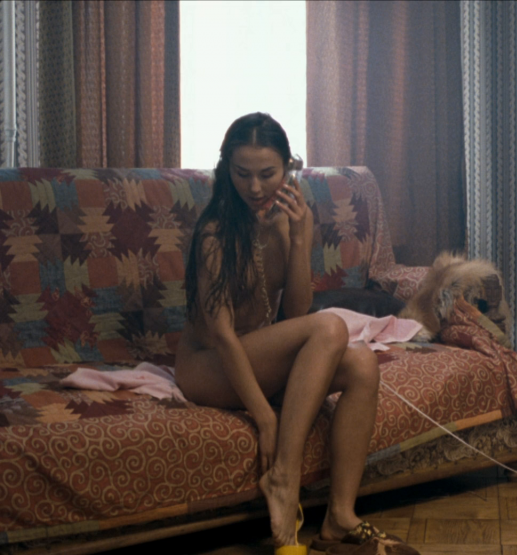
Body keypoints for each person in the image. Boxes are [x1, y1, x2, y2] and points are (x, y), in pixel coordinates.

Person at [175, 113, 402, 553]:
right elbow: (223, 337)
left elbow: (295, 311)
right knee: (331, 326)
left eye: (267, 174)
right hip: (208, 367)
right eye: (242, 173)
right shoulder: (214, 234)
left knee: (361, 363)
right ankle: (283, 476)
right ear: (226, 170)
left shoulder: (287, 221)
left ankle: (339, 516)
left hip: (257, 358)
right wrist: (264, 417)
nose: (254, 187)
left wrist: (300, 239)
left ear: (289, 168)